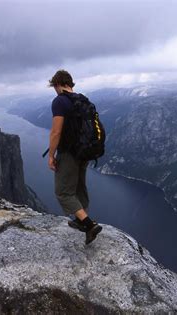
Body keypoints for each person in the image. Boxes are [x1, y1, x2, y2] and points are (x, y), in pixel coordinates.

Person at [47, 69, 103, 245]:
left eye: (54, 87)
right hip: (85, 152)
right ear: (71, 84)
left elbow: (56, 132)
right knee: (79, 186)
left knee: (63, 192)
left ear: (58, 84)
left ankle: (88, 224)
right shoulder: (83, 100)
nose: (54, 90)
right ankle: (80, 220)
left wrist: (51, 155)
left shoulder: (60, 101)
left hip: (69, 152)